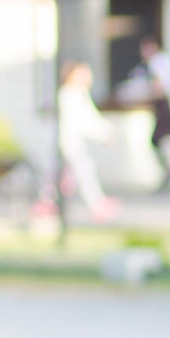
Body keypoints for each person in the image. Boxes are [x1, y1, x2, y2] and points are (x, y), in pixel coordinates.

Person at [42, 62, 118, 222]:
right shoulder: (71, 95)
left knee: (62, 174)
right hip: (68, 142)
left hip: (67, 141)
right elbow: (86, 120)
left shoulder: (72, 94)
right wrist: (105, 134)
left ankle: (49, 202)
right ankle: (95, 204)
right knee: (83, 170)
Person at [132, 36, 170, 191]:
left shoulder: (157, 62)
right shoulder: (163, 61)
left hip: (163, 104)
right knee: (159, 139)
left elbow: (158, 86)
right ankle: (169, 168)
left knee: (158, 139)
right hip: (163, 104)